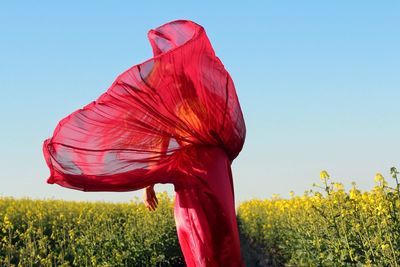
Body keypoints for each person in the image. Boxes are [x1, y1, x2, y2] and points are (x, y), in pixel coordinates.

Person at [43, 19, 246, 266]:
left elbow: (162, 137)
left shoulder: (174, 97)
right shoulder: (205, 95)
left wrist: (148, 183)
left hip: (196, 169)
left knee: (201, 241)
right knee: (223, 237)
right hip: (217, 168)